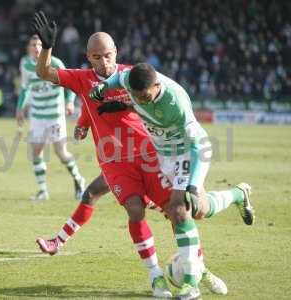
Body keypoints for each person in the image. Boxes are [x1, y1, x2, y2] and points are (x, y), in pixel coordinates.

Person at [31, 11, 226, 299]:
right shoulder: (81, 79)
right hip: (114, 161)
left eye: (108, 55)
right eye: (97, 57)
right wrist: (47, 49)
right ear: (88, 57)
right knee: (134, 209)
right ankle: (156, 276)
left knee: (179, 211)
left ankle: (198, 269)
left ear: (115, 52)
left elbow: (160, 98)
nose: (103, 62)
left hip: (151, 154)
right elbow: (45, 73)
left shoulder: (133, 76)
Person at [89, 62, 256, 298]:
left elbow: (200, 145)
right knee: (198, 210)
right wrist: (105, 88)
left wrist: (193, 185)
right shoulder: (131, 81)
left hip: (188, 152)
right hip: (164, 156)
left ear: (157, 85)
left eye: (145, 97)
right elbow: (119, 80)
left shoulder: (176, 102)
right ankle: (238, 194)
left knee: (178, 208)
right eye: (137, 97)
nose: (142, 101)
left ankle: (191, 284)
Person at [16, 34, 85, 201]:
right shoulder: (25, 65)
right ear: (29, 48)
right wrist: (19, 109)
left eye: (39, 44)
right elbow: (25, 88)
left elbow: (70, 84)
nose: (37, 47)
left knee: (61, 153)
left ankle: (79, 181)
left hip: (55, 115)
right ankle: (43, 191)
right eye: (33, 44)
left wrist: (69, 102)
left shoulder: (55, 63)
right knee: (36, 151)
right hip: (38, 116)